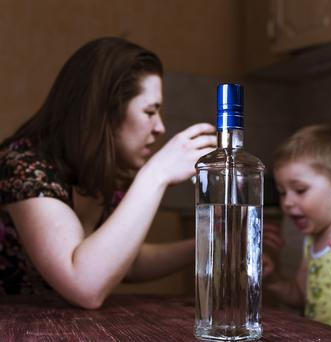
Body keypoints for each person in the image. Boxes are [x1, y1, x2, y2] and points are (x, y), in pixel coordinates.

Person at [0, 37, 217, 308]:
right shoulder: (24, 165)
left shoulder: (104, 174)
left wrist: (211, 242)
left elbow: (124, 260)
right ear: (105, 113)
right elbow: (85, 284)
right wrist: (156, 173)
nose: (160, 127)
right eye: (150, 111)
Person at [264, 124, 331, 328]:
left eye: (299, 190)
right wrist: (274, 280)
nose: (287, 202)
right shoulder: (311, 240)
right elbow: (301, 296)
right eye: (282, 192)